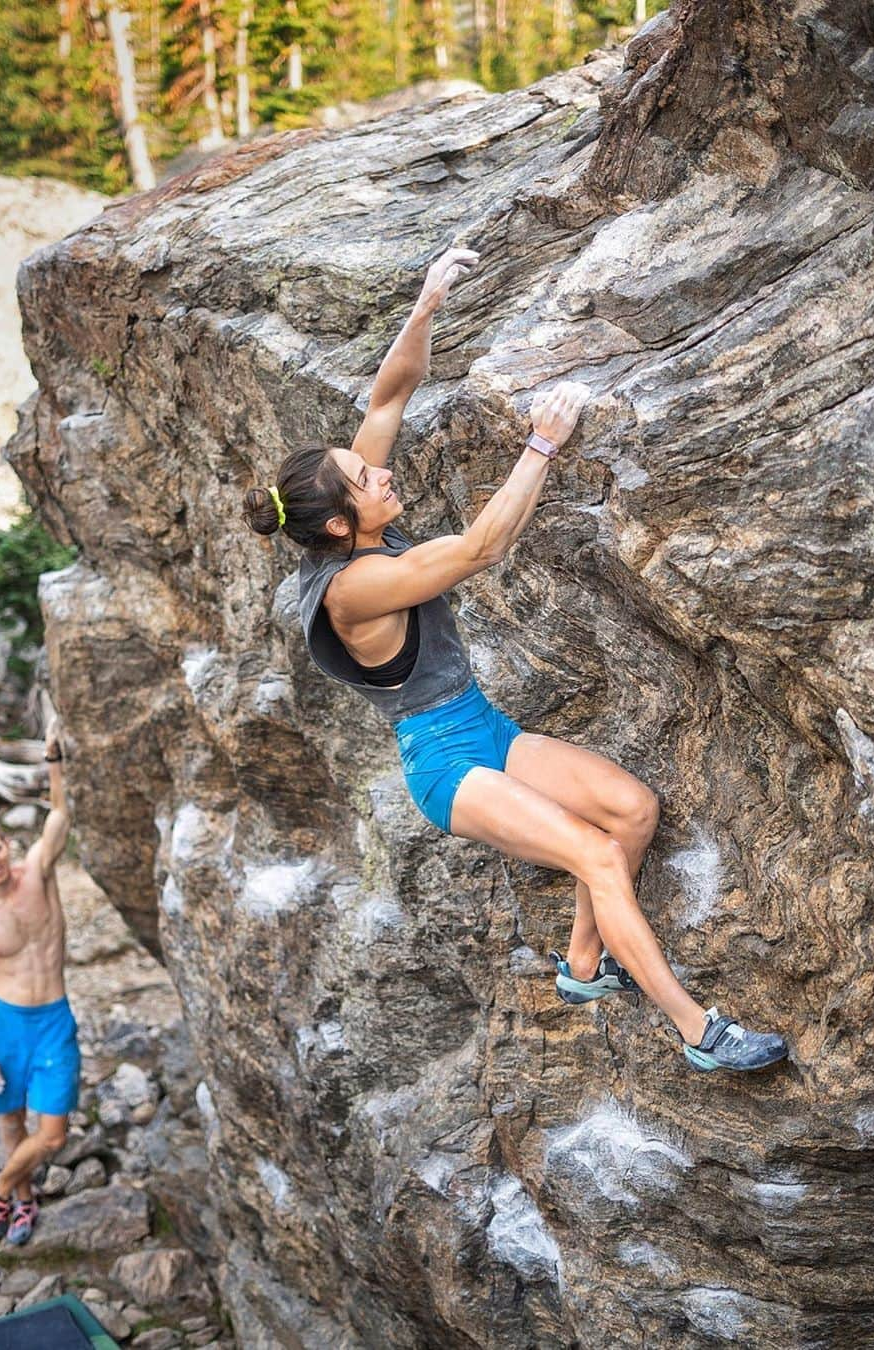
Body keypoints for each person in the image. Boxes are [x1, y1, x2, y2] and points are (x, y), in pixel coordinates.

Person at [243, 247, 787, 1074]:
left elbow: (390, 393)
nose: (381, 473)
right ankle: (700, 1033)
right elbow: (481, 547)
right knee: (596, 852)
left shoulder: (358, 522)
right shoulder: (356, 586)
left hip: (485, 729)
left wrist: (426, 301)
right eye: (366, 478)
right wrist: (543, 443)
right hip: (443, 765)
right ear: (334, 527)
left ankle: (582, 967)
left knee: (631, 810)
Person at [0, 716, 80, 1245]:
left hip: (52, 1017)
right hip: (4, 1023)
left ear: (8, 845)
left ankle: (0, 1188)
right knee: (11, 1123)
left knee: (51, 1134)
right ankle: (23, 1203)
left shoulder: (38, 871)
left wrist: (53, 762)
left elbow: (60, 813)